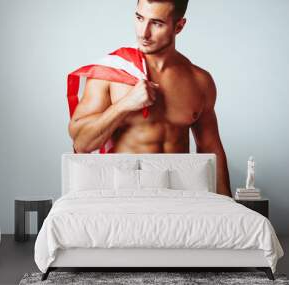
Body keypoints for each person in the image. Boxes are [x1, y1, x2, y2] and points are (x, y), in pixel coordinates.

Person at [68, 0, 231, 197]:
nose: (143, 33)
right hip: (124, 195)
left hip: (179, 196)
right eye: (139, 18)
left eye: (157, 23)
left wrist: (227, 204)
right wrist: (124, 105)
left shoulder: (199, 81)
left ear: (179, 26)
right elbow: (82, 143)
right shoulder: (112, 73)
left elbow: (211, 149)